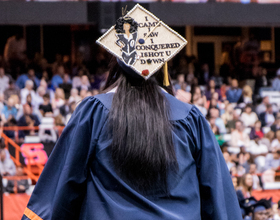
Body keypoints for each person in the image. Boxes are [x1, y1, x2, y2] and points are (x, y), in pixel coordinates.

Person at [22, 7, 241, 220]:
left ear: (117, 61)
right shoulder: (190, 118)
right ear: (160, 66)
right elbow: (219, 200)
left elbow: (62, 188)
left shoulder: (94, 112)